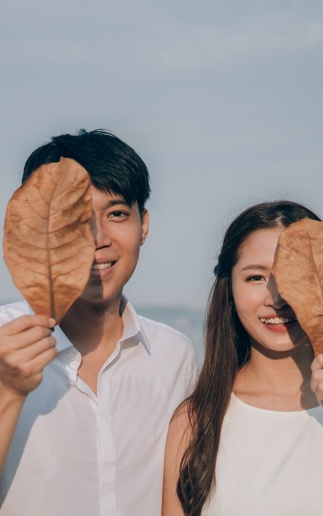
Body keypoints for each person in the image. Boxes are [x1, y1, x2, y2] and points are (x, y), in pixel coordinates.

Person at [0, 129, 197, 516]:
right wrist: (8, 392)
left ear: (143, 224)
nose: (97, 238)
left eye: (117, 214)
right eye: (74, 219)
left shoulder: (175, 355)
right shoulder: (4, 339)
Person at [162, 200, 323, 516]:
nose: (276, 298)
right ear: (230, 290)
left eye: (295, 274)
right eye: (256, 277)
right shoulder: (196, 420)